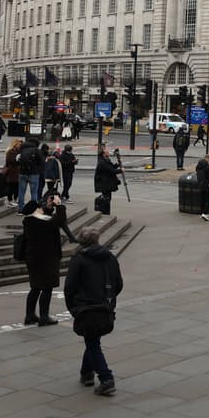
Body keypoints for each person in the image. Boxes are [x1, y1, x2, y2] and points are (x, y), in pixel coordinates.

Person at [64, 227, 124, 397]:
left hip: (86, 308)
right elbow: (118, 283)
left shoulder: (79, 260)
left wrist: (74, 308)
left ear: (82, 242)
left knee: (92, 342)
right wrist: (109, 299)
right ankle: (86, 373)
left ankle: (106, 378)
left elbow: (69, 288)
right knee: (92, 340)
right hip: (105, 307)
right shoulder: (110, 257)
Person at [21, 192, 74, 326]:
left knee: (35, 287)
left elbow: (47, 217)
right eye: (39, 207)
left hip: (33, 258)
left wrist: (50, 206)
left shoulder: (29, 220)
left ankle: (30, 315)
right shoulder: (42, 222)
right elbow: (60, 219)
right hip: (46, 258)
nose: (42, 207)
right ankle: (44, 317)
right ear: (36, 211)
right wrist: (59, 205)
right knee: (47, 287)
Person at [93, 146, 121, 216]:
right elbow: (111, 170)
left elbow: (110, 167)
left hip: (106, 183)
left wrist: (117, 165)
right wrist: (120, 170)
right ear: (103, 154)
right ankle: (105, 212)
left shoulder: (106, 160)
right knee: (106, 198)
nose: (108, 152)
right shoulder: (102, 162)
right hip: (104, 183)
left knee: (107, 197)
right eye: (107, 152)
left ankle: (106, 211)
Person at [195, 154, 209, 221]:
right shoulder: (207, 166)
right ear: (207, 158)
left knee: (202, 199)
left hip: (201, 184)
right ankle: (205, 214)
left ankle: (202, 213)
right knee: (207, 200)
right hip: (207, 184)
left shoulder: (198, 166)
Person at [2, 140, 22, 208]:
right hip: (12, 172)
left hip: (17, 172)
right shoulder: (10, 152)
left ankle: (15, 199)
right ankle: (10, 200)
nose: (20, 145)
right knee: (11, 187)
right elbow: (10, 161)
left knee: (16, 187)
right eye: (19, 144)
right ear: (15, 144)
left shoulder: (19, 151)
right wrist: (18, 160)